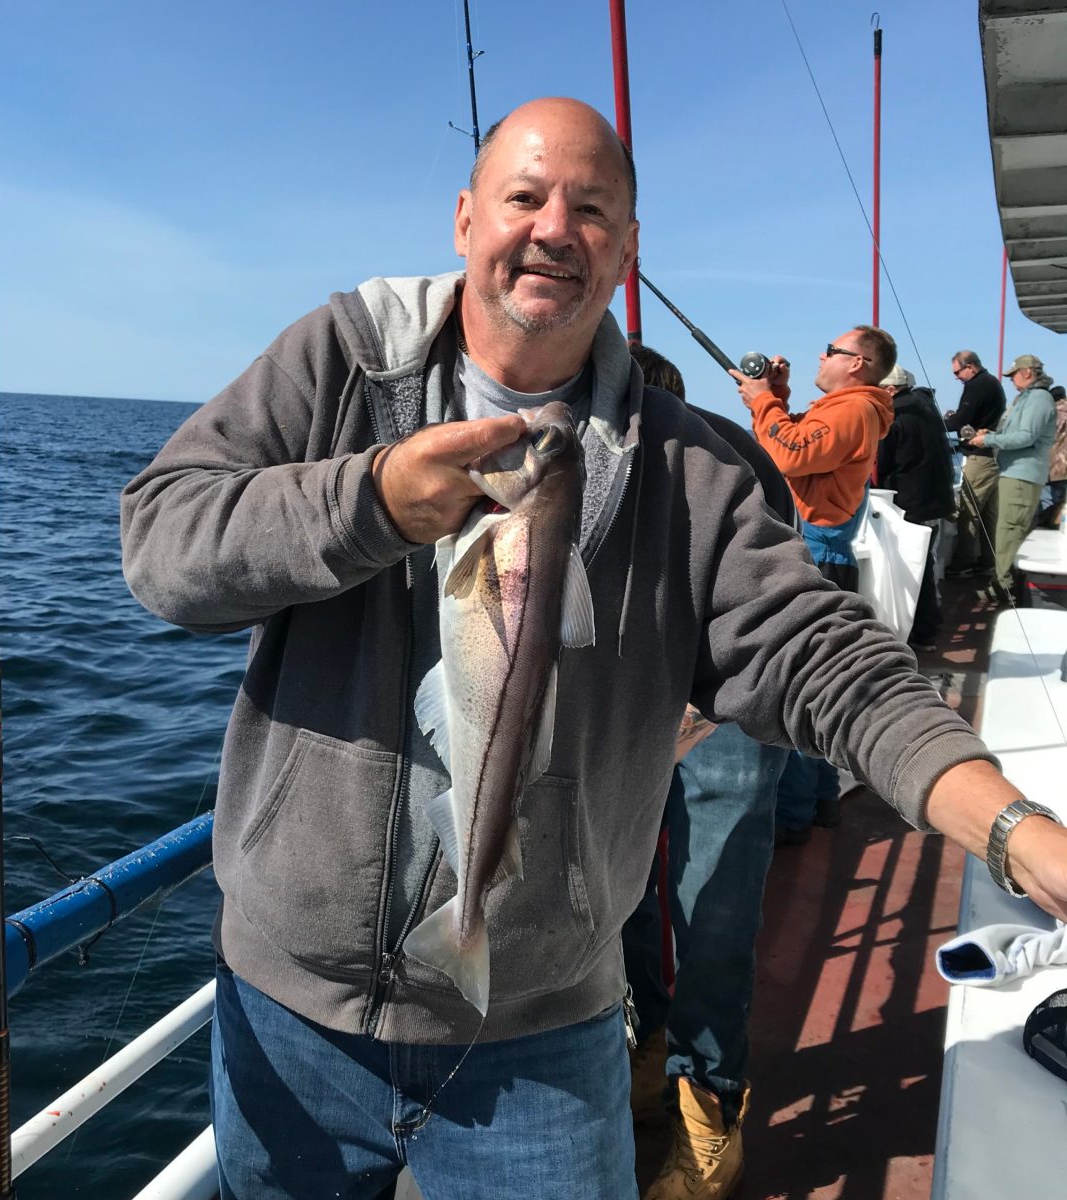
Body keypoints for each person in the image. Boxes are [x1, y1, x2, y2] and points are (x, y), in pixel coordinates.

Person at [121, 98, 1067, 1200]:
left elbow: (823, 661)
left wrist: (1013, 828)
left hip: (540, 1031)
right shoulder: (342, 361)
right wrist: (369, 499)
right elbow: (163, 544)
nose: (554, 226)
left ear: (624, 250)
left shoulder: (690, 468)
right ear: (468, 218)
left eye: (592, 208)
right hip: (284, 1012)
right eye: (524, 197)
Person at [622, 344, 792, 1200]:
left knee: (712, 906)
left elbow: (774, 610)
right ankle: (647, 1051)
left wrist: (708, 709)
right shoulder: (579, 453)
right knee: (623, 894)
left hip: (727, 710)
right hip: (625, 713)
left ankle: (711, 1102)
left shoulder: (734, 457)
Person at [730, 330, 895, 843]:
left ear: (859, 363)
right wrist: (774, 401)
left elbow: (792, 456)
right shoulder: (848, 408)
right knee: (812, 684)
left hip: (816, 553)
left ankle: (794, 815)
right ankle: (820, 798)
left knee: (792, 686)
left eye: (832, 350)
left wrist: (762, 403)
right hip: (823, 548)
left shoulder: (854, 409)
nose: (821, 356)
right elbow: (794, 441)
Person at [877, 365, 956, 652]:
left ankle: (922, 632)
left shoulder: (894, 415)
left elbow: (881, 463)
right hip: (934, 500)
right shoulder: (926, 406)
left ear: (888, 390)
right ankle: (927, 628)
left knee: (912, 570)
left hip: (910, 503)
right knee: (926, 565)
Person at [967, 355, 1058, 601]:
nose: (1011, 380)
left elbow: (1025, 437)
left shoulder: (1038, 398)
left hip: (1021, 476)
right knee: (1009, 530)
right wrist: (994, 434)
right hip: (1016, 474)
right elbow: (1022, 434)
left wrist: (988, 439)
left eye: (1014, 375)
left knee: (1010, 532)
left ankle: (1005, 588)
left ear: (1027, 372)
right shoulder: (1031, 398)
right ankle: (1006, 586)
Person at [944, 350, 1007, 577]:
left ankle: (963, 564)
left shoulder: (976, 386)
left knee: (969, 511)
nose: (956, 377)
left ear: (970, 367)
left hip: (979, 458)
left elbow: (962, 419)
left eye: (957, 372)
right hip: (994, 458)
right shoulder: (992, 383)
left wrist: (940, 422)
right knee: (989, 514)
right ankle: (988, 562)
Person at [1040, 384, 1067, 529]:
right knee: (1063, 503)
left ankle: (1047, 531)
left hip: (1053, 465)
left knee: (1047, 502)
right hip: (1065, 466)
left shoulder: (1052, 413)